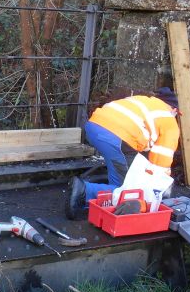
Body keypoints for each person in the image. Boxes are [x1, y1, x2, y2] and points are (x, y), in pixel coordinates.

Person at [67, 87, 180, 219]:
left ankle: (95, 199)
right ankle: (85, 191)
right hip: (117, 137)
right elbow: (161, 162)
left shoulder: (143, 101)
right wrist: (160, 186)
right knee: (126, 189)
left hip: (94, 126)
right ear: (174, 109)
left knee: (120, 169)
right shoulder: (169, 120)